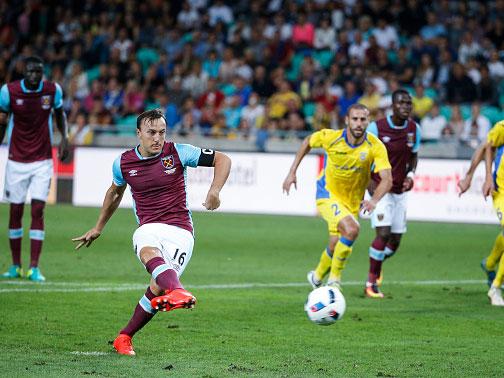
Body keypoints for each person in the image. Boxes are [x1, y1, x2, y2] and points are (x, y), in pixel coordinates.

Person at [72, 109, 231, 355]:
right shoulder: (123, 162)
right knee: (145, 244)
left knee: (158, 287)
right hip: (148, 228)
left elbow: (223, 159)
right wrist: (98, 227)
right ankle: (177, 291)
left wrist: (215, 190)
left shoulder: (178, 152)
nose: (158, 138)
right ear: (138, 134)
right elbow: (115, 192)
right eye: (151, 133)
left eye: (162, 132)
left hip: (181, 231)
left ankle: (124, 337)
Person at [283, 104, 392, 289]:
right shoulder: (331, 137)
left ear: (368, 121)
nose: (359, 123)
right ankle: (334, 280)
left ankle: (316, 276)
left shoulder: (375, 146)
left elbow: (387, 179)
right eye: (355, 119)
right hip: (327, 193)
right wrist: (292, 172)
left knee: (335, 244)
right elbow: (308, 141)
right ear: (347, 120)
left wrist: (374, 200)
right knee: (352, 230)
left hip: (351, 201)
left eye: (363, 119)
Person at [0, 56, 69, 282]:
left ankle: (34, 267)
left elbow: (60, 114)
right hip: (16, 161)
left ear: (42, 73)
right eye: (30, 72)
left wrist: (64, 140)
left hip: (42, 161)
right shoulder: (8, 92)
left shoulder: (52, 91)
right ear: (23, 71)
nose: (34, 76)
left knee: (38, 211)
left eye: (38, 72)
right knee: (15, 212)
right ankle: (15, 265)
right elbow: (2, 119)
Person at [364, 89, 421, 298]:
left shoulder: (414, 129)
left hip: (400, 190)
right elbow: (365, 155)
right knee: (383, 233)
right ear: (393, 106)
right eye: (402, 103)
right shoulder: (376, 127)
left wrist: (411, 175)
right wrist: (368, 180)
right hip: (380, 188)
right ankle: (371, 283)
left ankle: (376, 264)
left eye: (409, 104)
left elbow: (414, 156)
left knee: (395, 242)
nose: (406, 107)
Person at [458, 120, 504, 306]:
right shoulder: (502, 127)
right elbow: (486, 147)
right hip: (501, 191)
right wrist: (476, 177)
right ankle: (496, 288)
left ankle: (490, 263)